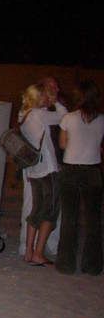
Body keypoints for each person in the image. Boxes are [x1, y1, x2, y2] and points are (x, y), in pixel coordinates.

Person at [56, 81, 104, 275]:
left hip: (71, 170)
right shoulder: (102, 119)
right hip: (93, 171)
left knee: (70, 218)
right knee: (93, 220)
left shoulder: (68, 118)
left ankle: (66, 264)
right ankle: (92, 265)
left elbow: (62, 144)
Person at [19, 83, 66, 265]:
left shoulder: (24, 114)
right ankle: (38, 253)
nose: (48, 97)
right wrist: (56, 102)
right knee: (50, 213)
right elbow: (63, 116)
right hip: (47, 170)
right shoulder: (39, 114)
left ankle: (29, 251)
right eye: (45, 95)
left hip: (34, 170)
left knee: (36, 210)